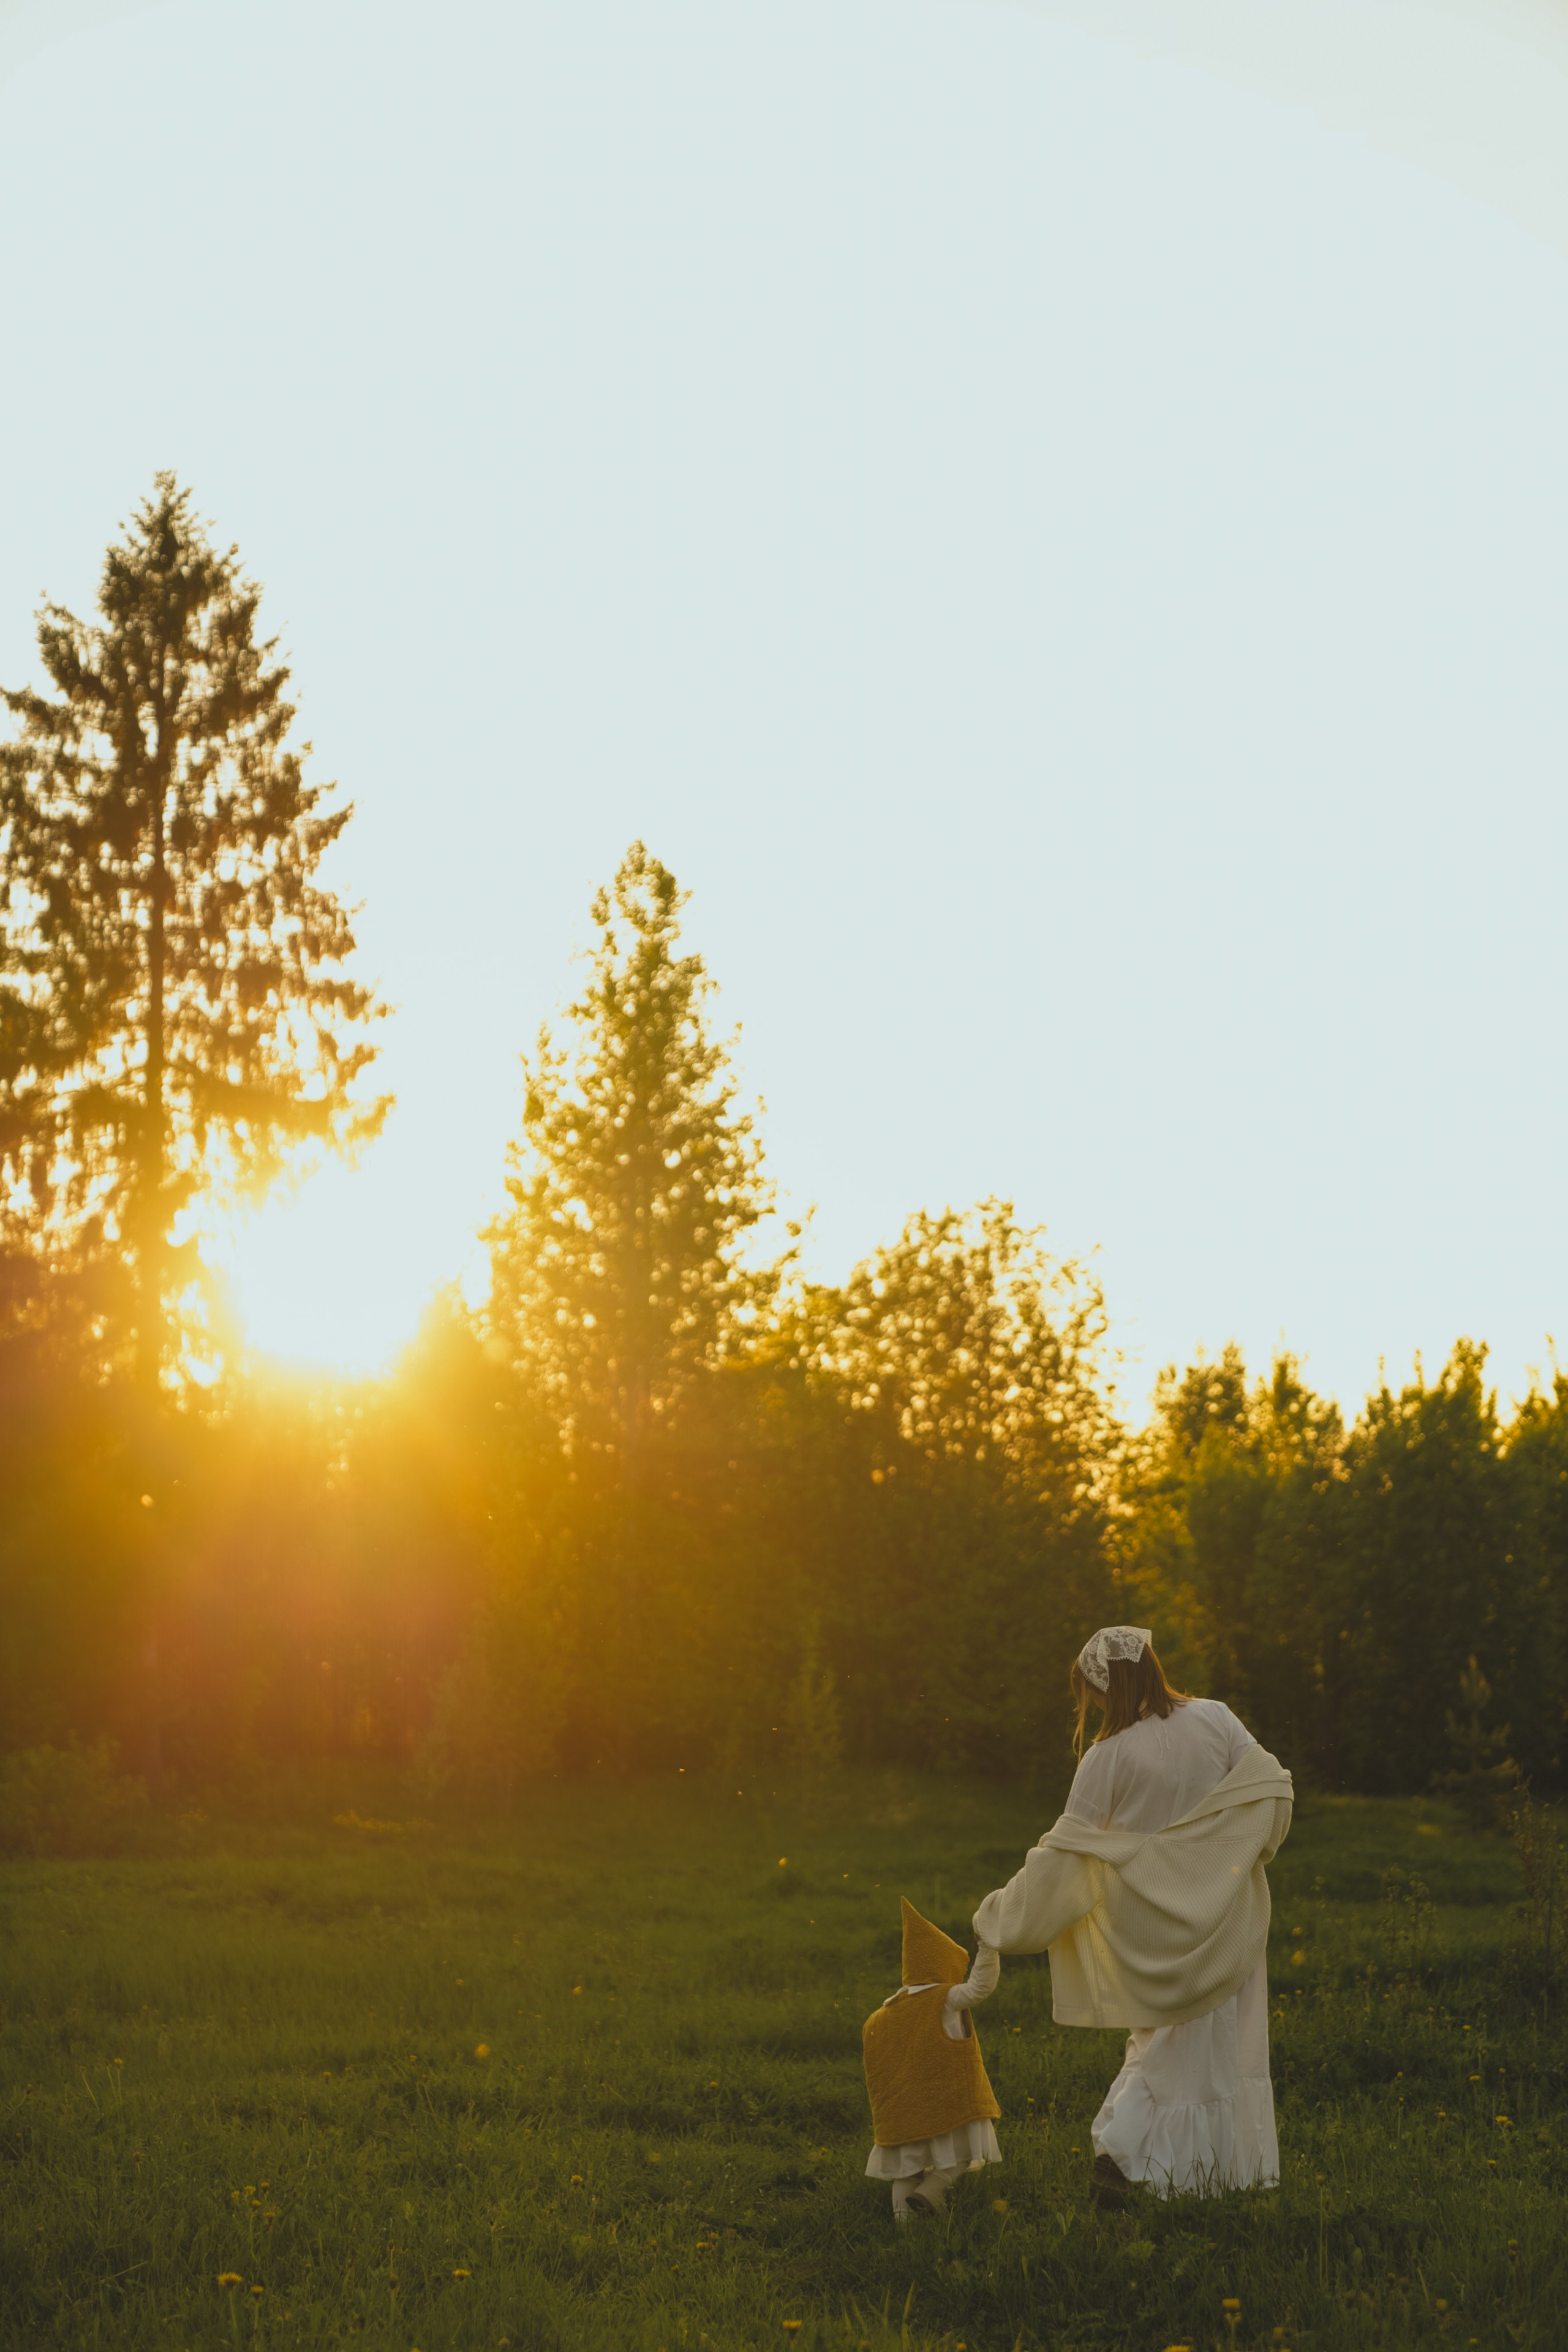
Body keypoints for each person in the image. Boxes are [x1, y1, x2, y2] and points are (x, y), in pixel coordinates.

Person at [973, 1626, 1292, 2207]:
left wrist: (999, 1916)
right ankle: (1175, 2171)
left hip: (1150, 1927)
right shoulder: (1218, 1718)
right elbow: (1270, 1793)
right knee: (1209, 2044)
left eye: (1088, 1695)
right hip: (1226, 1915)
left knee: (1163, 2042)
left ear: (1101, 1688)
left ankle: (1127, 2162)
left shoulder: (1107, 1756)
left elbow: (1065, 1857)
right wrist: (1229, 1853)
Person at [862, 1898, 1003, 2221]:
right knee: (960, 2157)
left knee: (906, 2171)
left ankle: (904, 2227)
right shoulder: (945, 1998)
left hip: (902, 2112)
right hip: (947, 2102)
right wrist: (989, 1948)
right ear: (943, 1965)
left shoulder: (882, 2014)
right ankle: (933, 2191)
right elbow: (980, 1987)